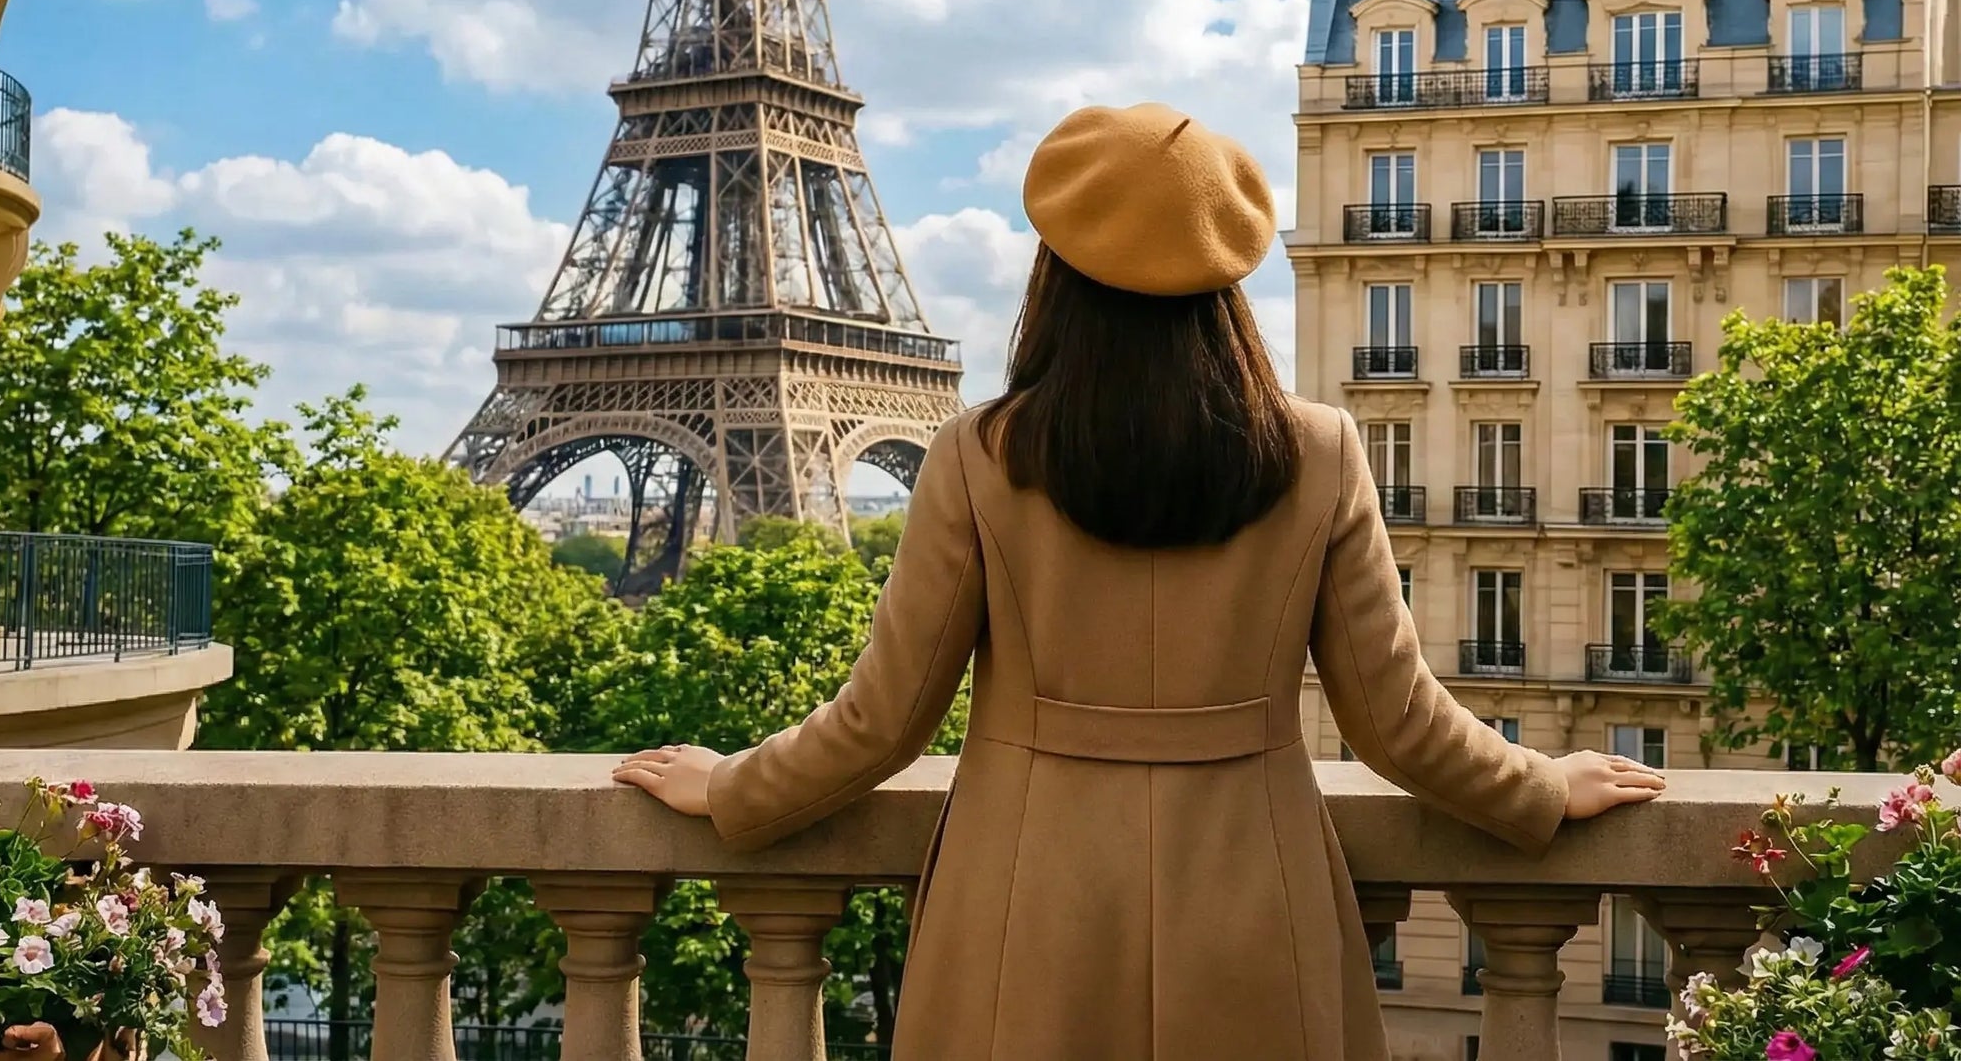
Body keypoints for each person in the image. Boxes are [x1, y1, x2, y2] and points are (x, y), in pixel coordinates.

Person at [615, 102, 1666, 1059]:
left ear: (1052, 271)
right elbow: (1395, 722)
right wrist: (1538, 787)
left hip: (1027, 901)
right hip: (1254, 896)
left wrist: (729, 787)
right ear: (1228, 275)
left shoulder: (980, 454)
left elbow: (883, 721)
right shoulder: (1319, 451)